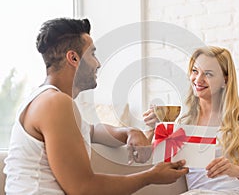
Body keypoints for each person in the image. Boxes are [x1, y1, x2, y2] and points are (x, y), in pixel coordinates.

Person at [3, 18, 188, 195]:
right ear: (73, 58)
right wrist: (151, 176)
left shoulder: (47, 99)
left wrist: (130, 132)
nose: (98, 63)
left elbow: (91, 131)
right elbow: (83, 188)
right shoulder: (54, 103)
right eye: (92, 54)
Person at [143, 46, 239, 194]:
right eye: (195, 71)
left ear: (225, 80)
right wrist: (152, 128)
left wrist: (235, 170)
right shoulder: (182, 123)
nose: (198, 79)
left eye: (208, 74)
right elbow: (151, 164)